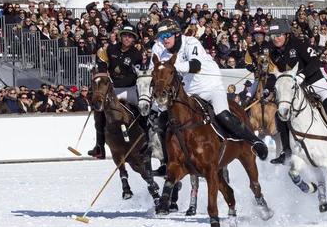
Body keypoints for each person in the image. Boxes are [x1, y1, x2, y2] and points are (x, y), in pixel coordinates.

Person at [151, 18, 268, 161]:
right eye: (161, 37)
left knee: (223, 115)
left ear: (176, 34)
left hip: (211, 87)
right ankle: (167, 161)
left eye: (166, 36)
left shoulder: (190, 43)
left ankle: (255, 142)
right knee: (163, 120)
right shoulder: (165, 55)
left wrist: (172, 68)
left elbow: (195, 65)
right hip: (190, 93)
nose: (164, 40)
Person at [268, 18, 327, 165]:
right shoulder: (273, 53)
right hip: (294, 88)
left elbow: (315, 62)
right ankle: (286, 150)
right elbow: (274, 75)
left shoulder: (300, 45)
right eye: (272, 36)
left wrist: (303, 75)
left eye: (279, 35)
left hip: (313, 81)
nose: (275, 39)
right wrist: (267, 89)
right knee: (281, 113)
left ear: (287, 34)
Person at [87, 24, 143, 159]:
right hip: (112, 90)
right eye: (125, 35)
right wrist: (104, 75)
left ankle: (146, 141)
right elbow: (101, 62)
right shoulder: (110, 49)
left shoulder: (137, 55)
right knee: (99, 110)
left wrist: (115, 82)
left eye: (130, 37)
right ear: (120, 36)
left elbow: (134, 75)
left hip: (129, 88)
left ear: (134, 39)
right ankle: (99, 147)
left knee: (143, 108)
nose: (127, 38)